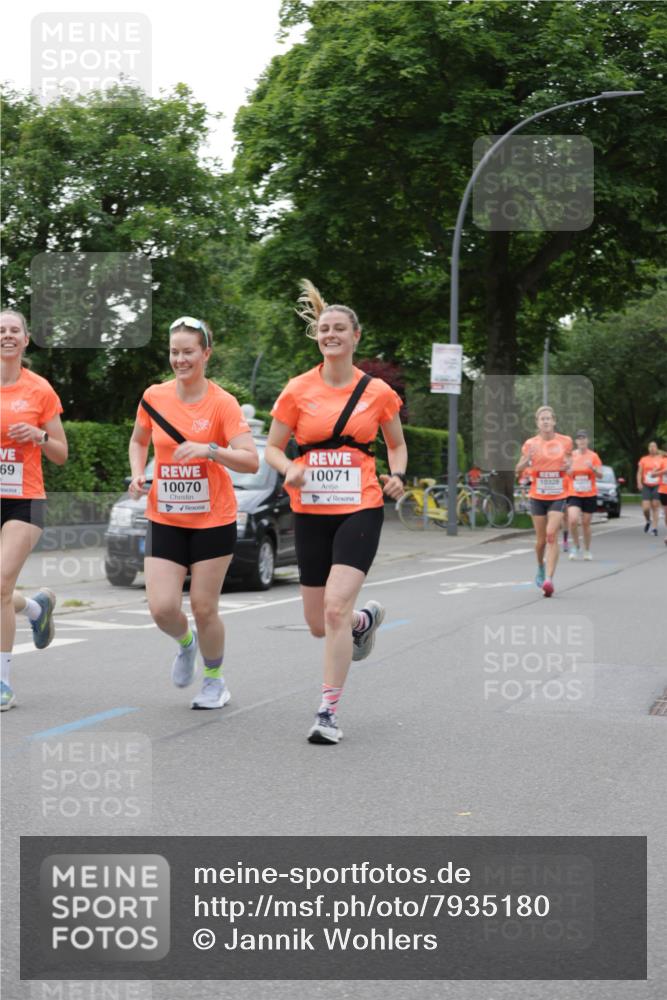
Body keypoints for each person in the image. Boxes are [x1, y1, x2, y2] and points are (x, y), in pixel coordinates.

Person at [265, 281, 407, 745]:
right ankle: (362, 623)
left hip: (360, 506)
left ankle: (327, 711)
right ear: (318, 336)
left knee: (333, 608)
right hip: (311, 509)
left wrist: (397, 475)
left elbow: (396, 444)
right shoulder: (297, 389)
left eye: (339, 329)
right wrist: (288, 468)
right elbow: (272, 448)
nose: (331, 334)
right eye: (324, 329)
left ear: (355, 336)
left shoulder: (377, 392)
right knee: (317, 623)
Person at [128, 316, 258, 710]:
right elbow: (139, 440)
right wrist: (138, 473)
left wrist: (210, 450)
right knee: (162, 608)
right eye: (174, 352)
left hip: (212, 519)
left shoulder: (222, 403)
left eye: (188, 352)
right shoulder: (154, 396)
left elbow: (250, 460)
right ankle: (186, 643)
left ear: (206, 354)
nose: (180, 360)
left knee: (203, 607)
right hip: (166, 517)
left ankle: (215, 680)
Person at [1, 309, 67, 711]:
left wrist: (39, 435)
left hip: (24, 500)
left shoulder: (39, 389)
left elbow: (61, 453)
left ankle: (3, 682)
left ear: (26, 340)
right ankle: (36, 608)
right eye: (1, 330)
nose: (7, 335)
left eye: (14, 330)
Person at [515, 405, 573, 598]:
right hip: (538, 496)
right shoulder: (530, 444)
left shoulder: (565, 441)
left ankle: (549, 580)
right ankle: (540, 566)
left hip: (558, 495)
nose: (546, 421)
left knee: (551, 535)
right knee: (540, 541)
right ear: (537, 423)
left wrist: (568, 466)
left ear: (554, 421)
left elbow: (570, 467)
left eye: (549, 418)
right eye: (542, 419)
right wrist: (527, 460)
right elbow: (518, 469)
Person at [566, 431, 603, 560]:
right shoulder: (571, 456)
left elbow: (600, 475)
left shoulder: (593, 456)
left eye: (584, 438)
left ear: (587, 441)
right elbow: (565, 473)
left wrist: (593, 468)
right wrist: (568, 471)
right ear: (576, 442)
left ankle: (587, 550)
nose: (581, 441)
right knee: (573, 520)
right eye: (579, 439)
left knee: (586, 523)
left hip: (589, 493)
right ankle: (576, 546)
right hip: (574, 493)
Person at [636, 442, 663, 536]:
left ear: (657, 448)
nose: (652, 448)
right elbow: (639, 472)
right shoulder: (644, 459)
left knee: (655, 506)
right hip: (646, 485)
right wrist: (639, 482)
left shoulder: (661, 459)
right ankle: (648, 520)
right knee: (645, 508)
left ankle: (654, 528)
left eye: (654, 446)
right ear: (648, 448)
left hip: (657, 484)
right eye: (650, 446)